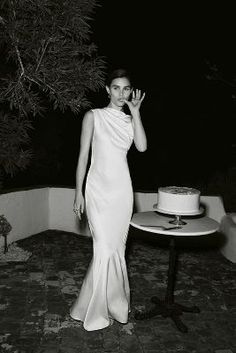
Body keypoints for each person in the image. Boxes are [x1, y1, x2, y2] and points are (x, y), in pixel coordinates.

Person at [70, 68, 147, 331]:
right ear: (107, 90)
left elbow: (142, 147)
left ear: (131, 92)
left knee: (115, 250)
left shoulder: (129, 120)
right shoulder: (93, 116)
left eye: (126, 89)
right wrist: (78, 191)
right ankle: (95, 309)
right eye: (116, 88)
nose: (121, 93)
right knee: (103, 247)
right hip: (97, 191)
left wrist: (135, 113)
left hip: (122, 192)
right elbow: (82, 157)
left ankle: (111, 304)